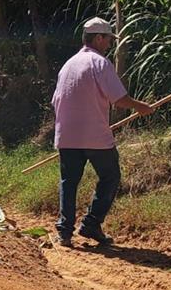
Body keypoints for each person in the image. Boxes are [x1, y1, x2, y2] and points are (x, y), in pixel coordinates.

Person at [52, 17, 154, 247]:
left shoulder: (68, 64)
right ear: (98, 38)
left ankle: (65, 232)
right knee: (110, 176)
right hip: (95, 136)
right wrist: (141, 107)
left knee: (69, 182)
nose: (109, 44)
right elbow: (119, 99)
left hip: (66, 135)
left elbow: (56, 100)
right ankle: (91, 223)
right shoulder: (99, 62)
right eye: (108, 39)